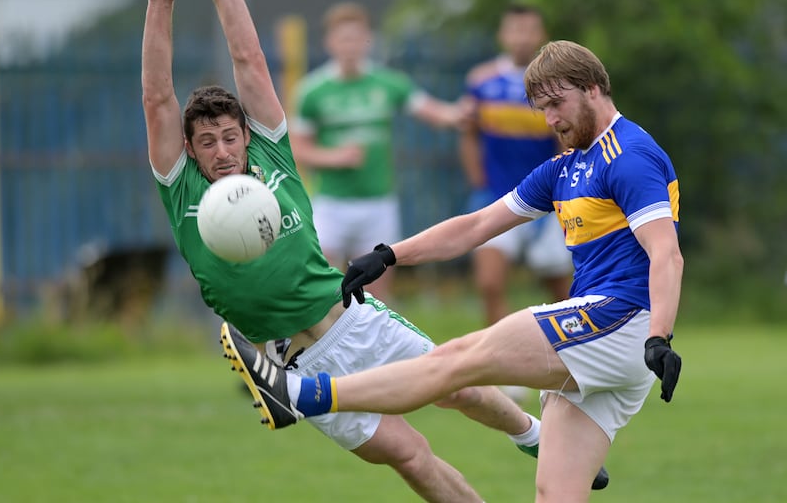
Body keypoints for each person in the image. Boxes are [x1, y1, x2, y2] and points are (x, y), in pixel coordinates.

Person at [141, 0, 607, 500]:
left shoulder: (272, 158)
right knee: (411, 456)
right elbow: (158, 97)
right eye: (207, 142)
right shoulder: (182, 188)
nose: (222, 150)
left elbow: (249, 60)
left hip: (354, 320)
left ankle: (536, 436)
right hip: (297, 367)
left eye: (231, 136)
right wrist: (161, 2)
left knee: (457, 386)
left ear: (247, 135)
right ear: (189, 149)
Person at [221, 40, 682, 502]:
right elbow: (477, 225)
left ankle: (299, 394)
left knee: (458, 359)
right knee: (555, 495)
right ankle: (301, 394)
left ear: (595, 88)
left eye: (557, 104)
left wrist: (658, 336)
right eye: (542, 109)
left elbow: (665, 253)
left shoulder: (630, 156)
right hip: (610, 341)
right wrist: (389, 254)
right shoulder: (567, 166)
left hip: (619, 321)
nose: (551, 121)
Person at [289, 2, 468, 302]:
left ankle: (375, 349)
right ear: (330, 42)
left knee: (375, 295)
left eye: (356, 38)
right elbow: (298, 150)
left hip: (378, 202)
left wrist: (463, 113)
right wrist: (336, 157)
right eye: (343, 38)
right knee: (328, 289)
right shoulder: (312, 91)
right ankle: (333, 348)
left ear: (367, 39)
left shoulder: (388, 83)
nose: (350, 45)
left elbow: (434, 111)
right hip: (331, 203)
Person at [459, 5, 572, 329]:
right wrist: (478, 182)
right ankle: (503, 369)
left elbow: (564, 141)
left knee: (561, 290)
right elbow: (469, 136)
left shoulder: (554, 85)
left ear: (542, 36)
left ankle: (574, 360)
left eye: (529, 30)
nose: (522, 38)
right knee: (489, 283)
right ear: (502, 35)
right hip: (495, 196)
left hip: (547, 200)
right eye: (515, 30)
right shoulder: (481, 81)